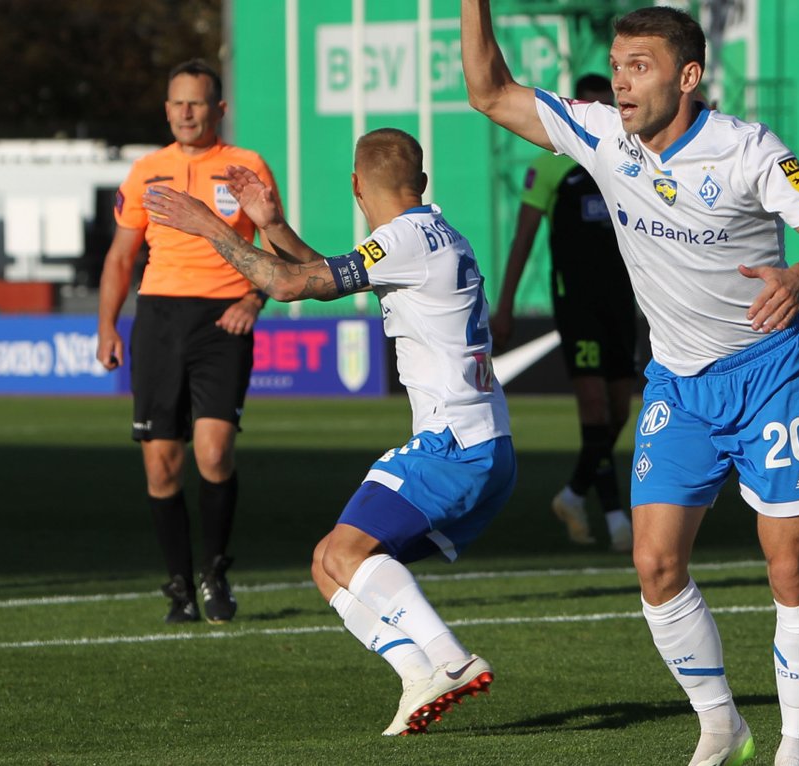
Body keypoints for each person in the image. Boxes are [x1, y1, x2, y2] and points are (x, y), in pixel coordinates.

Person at [462, 5, 799, 765]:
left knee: (790, 566)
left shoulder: (749, 149)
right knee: (655, 565)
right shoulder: (602, 134)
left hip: (769, 374)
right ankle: (722, 725)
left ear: (688, 76)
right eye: (616, 66)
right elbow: (489, 92)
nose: (620, 81)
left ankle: (798, 748)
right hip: (678, 382)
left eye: (638, 67)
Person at [142, 127, 515, 736]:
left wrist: (209, 224)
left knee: (345, 553)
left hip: (452, 445)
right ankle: (416, 674)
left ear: (355, 185)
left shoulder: (400, 241)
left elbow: (288, 285)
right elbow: (323, 274)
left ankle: (449, 658)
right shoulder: (437, 233)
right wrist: (272, 224)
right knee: (326, 563)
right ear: (421, 182)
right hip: (485, 444)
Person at [95, 59, 279, 624]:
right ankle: (179, 587)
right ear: (166, 109)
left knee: (214, 454)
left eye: (196, 102)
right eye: (177, 102)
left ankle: (215, 572)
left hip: (223, 320)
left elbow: (274, 243)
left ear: (219, 109)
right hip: (159, 319)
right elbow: (121, 257)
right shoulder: (145, 171)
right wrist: (107, 325)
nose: (186, 112)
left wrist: (252, 300)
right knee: (161, 467)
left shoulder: (247, 166)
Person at [491, 73, 637, 553]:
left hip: (622, 300)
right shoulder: (549, 166)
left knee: (620, 411)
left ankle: (573, 495)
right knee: (595, 409)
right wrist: (506, 306)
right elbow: (523, 239)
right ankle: (615, 519)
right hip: (577, 302)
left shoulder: (628, 161)